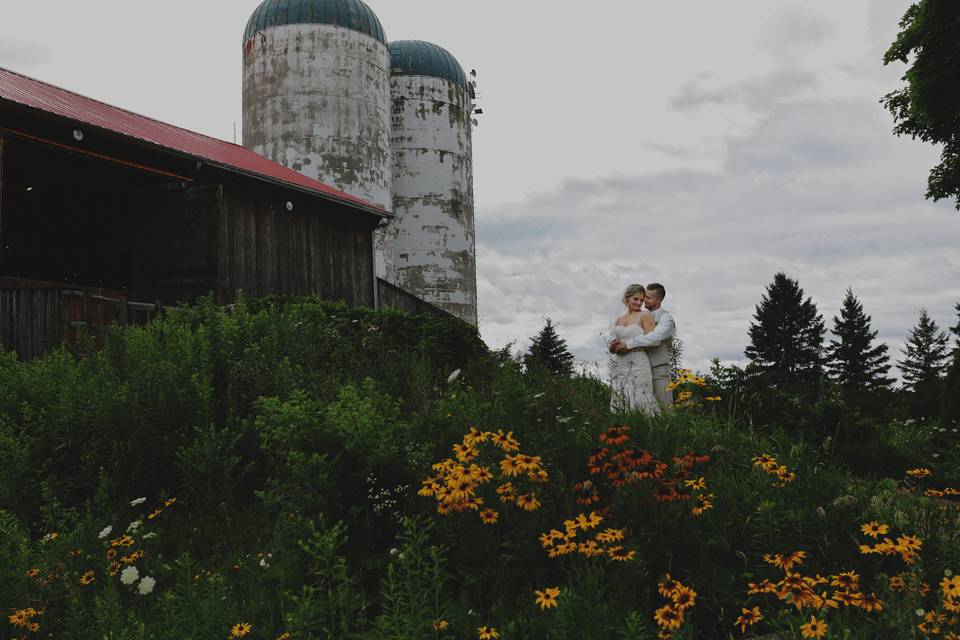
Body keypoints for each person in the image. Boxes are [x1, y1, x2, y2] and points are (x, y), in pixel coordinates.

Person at [609, 283, 675, 409]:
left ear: (659, 299)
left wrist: (628, 344)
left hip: (657, 367)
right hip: (628, 365)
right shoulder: (624, 318)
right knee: (628, 401)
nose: (643, 300)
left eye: (647, 297)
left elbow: (654, 338)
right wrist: (613, 347)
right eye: (641, 297)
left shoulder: (666, 319)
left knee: (664, 407)